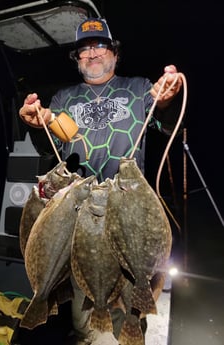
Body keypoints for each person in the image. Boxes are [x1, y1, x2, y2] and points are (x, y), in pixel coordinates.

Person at [19, 17, 183, 345]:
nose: (92, 54)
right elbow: (53, 147)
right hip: (82, 221)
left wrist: (165, 100)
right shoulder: (65, 98)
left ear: (114, 53)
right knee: (89, 316)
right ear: (77, 59)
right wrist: (38, 124)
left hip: (128, 214)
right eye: (83, 50)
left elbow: (162, 127)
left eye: (99, 46)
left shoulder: (138, 89)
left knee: (131, 303)